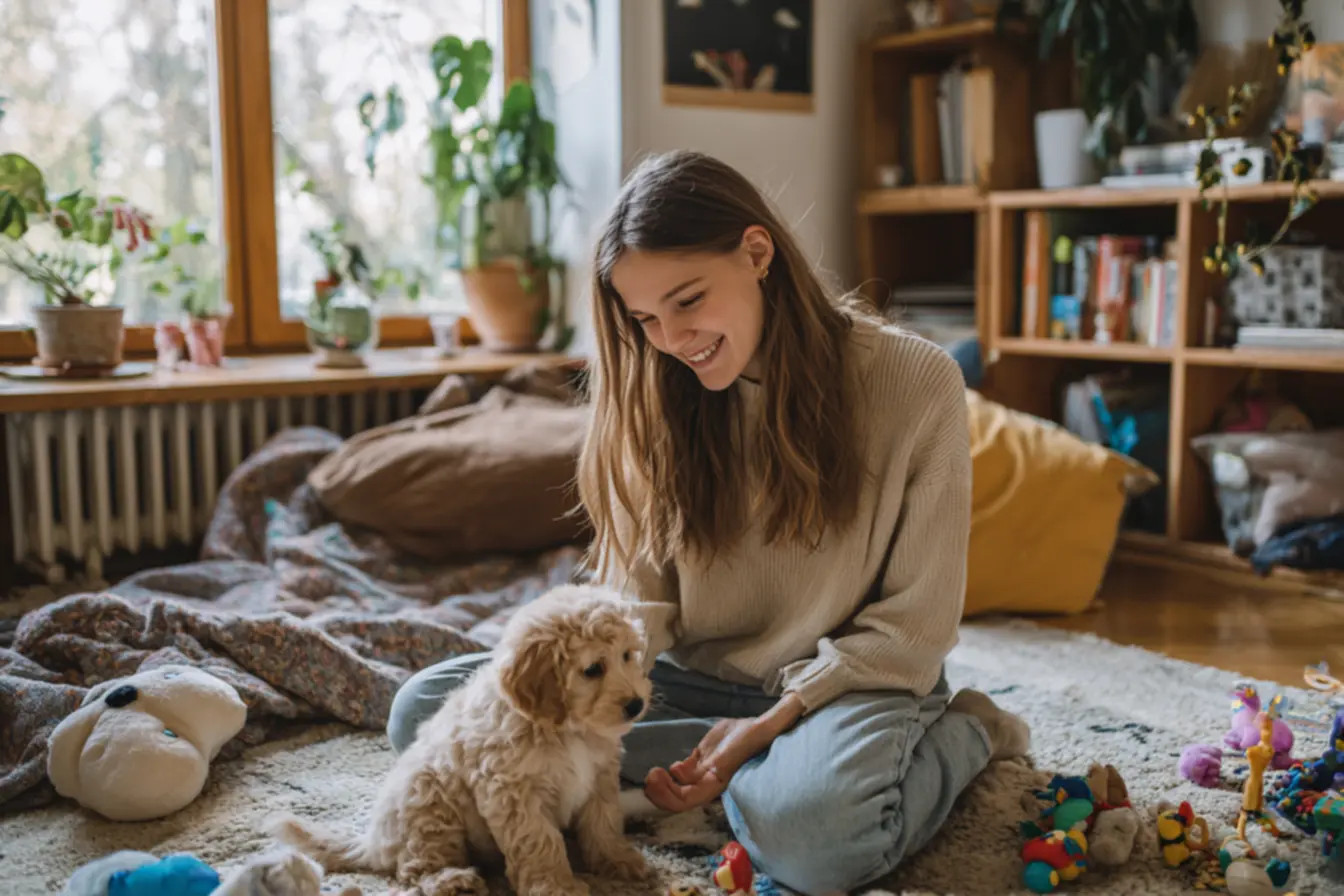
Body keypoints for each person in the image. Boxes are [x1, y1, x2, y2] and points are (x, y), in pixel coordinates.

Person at [386, 150, 1030, 895]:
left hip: (844, 684)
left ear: (757, 254)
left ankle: (969, 732)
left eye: (688, 300)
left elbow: (914, 628)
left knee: (819, 845)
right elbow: (638, 605)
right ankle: (753, 781)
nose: (672, 338)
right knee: (431, 717)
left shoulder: (918, 382)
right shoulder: (657, 390)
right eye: (646, 318)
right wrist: (613, 693)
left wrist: (766, 727)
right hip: (681, 685)